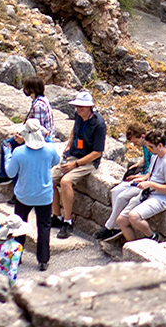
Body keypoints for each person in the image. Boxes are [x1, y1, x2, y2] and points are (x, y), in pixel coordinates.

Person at [3, 120, 61, 270]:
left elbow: (10, 172)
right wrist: (49, 140)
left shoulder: (19, 152)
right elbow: (56, 161)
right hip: (44, 195)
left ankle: (17, 256)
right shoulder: (49, 149)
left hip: (24, 195)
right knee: (44, 226)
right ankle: (43, 260)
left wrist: (7, 154)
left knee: (19, 224)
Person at [50, 91, 106, 239]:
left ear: (90, 107)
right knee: (50, 179)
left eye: (82, 106)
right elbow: (74, 131)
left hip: (87, 161)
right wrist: (68, 146)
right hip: (73, 155)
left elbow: (97, 153)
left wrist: (75, 165)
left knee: (66, 182)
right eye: (77, 106)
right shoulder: (78, 116)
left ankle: (67, 221)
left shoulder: (99, 125)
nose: (78, 109)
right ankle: (57, 216)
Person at [115, 130, 166, 242]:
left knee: (134, 216)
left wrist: (150, 184)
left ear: (160, 145)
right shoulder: (156, 155)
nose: (149, 150)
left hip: (163, 198)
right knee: (121, 221)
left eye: (151, 147)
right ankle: (131, 246)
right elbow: (150, 174)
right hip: (150, 192)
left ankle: (153, 237)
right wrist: (141, 178)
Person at [96, 124, 153, 240]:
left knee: (122, 197)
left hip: (147, 180)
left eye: (135, 141)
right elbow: (146, 159)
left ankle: (109, 226)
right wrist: (138, 165)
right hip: (141, 175)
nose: (134, 145)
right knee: (115, 191)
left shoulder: (152, 148)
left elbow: (152, 171)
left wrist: (138, 177)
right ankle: (115, 226)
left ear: (142, 136)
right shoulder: (145, 146)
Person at [22, 76, 55, 141]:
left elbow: (37, 128)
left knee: (7, 143)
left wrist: (23, 138)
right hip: (44, 135)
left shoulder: (38, 106)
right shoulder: (43, 99)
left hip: (42, 139)